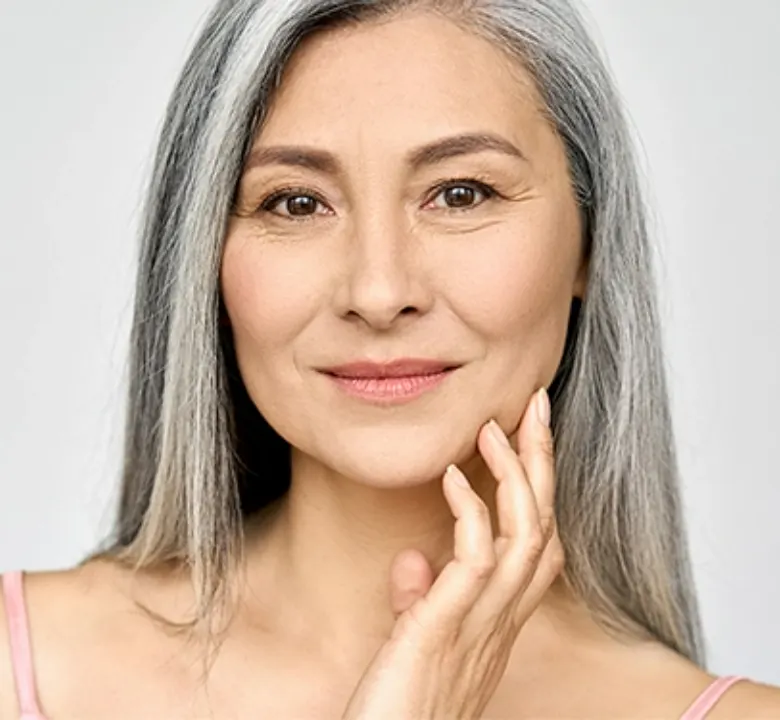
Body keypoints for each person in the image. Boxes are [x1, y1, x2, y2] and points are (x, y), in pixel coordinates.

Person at [1, 0, 778, 717]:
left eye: (462, 193)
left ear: (590, 239)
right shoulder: (18, 669)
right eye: (296, 202)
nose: (378, 291)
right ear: (202, 253)